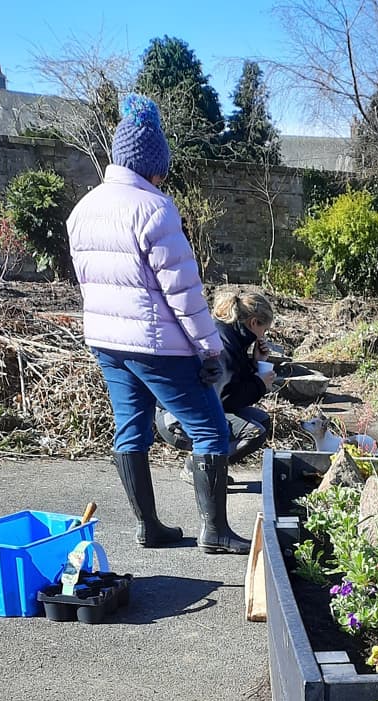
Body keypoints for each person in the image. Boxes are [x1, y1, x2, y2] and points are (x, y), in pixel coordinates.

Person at [66, 93, 248, 555]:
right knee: (210, 430)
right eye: (162, 168)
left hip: (106, 341)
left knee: (131, 427)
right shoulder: (155, 209)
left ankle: (149, 526)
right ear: (152, 165)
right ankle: (215, 531)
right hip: (157, 343)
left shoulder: (82, 209)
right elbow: (184, 294)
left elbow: (88, 282)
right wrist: (209, 349)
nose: (163, 176)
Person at [155, 288, 277, 478]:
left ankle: (209, 467)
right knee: (254, 432)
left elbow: (229, 383)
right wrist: (259, 383)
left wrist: (255, 363)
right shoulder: (223, 342)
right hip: (175, 418)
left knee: (261, 420)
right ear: (254, 322)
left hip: (191, 408)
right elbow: (225, 398)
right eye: (264, 330)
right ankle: (200, 468)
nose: (263, 336)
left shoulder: (231, 336)